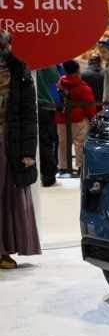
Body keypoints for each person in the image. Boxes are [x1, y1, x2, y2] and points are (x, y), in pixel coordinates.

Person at [0, 30, 41, 269]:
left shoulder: (20, 73)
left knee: (7, 197)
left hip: (9, 144)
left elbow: (29, 116)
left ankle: (3, 251)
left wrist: (28, 152)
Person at [56, 60, 97, 175]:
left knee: (63, 144)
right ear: (78, 70)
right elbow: (90, 106)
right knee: (80, 143)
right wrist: (92, 119)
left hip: (62, 118)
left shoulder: (59, 84)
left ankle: (63, 167)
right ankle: (80, 166)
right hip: (79, 119)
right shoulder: (83, 87)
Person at [36, 65, 61, 187]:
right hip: (45, 105)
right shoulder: (45, 60)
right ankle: (48, 174)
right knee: (46, 141)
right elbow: (55, 78)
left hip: (30, 104)